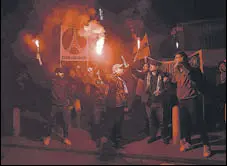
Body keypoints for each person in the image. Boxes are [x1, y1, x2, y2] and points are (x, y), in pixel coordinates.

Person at [172, 51, 211, 158]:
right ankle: (187, 142)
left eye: (177, 57)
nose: (175, 60)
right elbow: (175, 83)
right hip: (181, 100)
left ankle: (206, 145)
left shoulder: (193, 69)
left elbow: (194, 78)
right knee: (184, 123)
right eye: (175, 58)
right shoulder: (177, 71)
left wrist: (183, 67)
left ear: (184, 59)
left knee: (198, 122)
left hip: (192, 99)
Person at [99, 64, 129, 150]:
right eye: (120, 68)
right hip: (113, 105)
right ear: (115, 70)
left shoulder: (121, 80)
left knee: (118, 124)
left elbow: (124, 93)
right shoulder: (112, 78)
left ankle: (116, 141)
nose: (122, 70)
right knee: (112, 124)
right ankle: (113, 142)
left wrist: (125, 104)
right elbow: (105, 77)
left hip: (120, 105)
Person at [43, 68, 73, 146]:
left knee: (66, 122)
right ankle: (48, 136)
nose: (60, 74)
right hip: (54, 104)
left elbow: (69, 92)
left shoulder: (66, 81)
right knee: (50, 121)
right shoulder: (52, 80)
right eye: (58, 73)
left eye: (61, 73)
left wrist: (69, 102)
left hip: (63, 105)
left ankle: (65, 138)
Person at [146, 61, 170, 144]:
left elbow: (167, 88)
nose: (150, 66)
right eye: (150, 65)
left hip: (160, 102)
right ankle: (153, 136)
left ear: (157, 67)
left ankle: (164, 137)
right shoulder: (147, 75)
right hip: (150, 102)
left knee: (162, 121)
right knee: (151, 120)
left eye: (152, 65)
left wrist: (161, 92)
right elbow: (136, 73)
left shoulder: (163, 76)